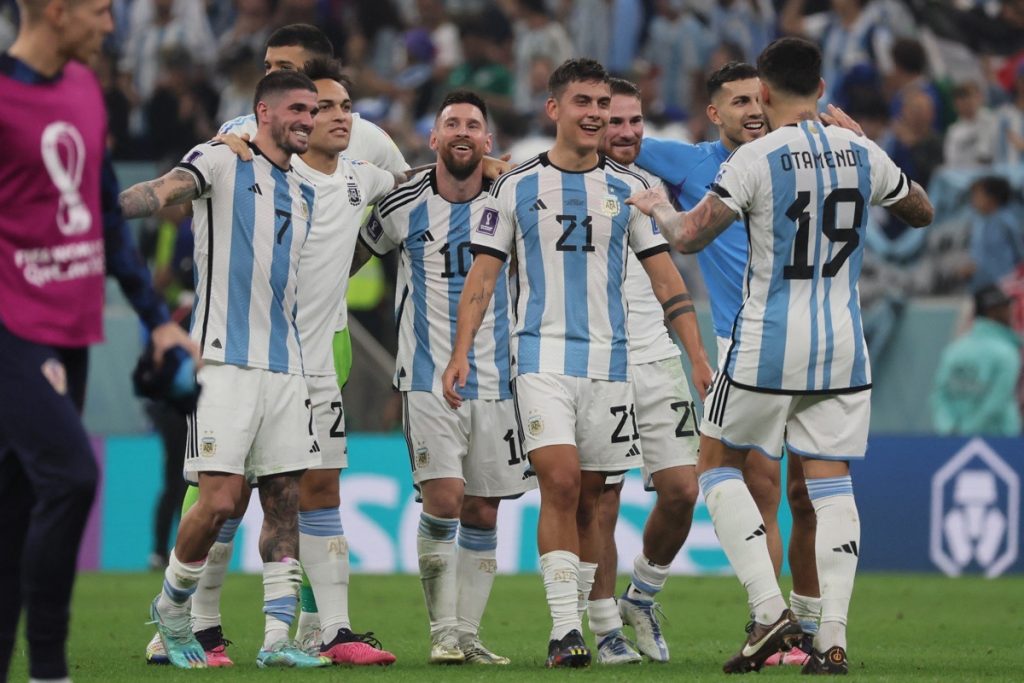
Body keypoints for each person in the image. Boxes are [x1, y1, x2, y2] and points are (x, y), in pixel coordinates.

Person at [627, 37, 934, 673]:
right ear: (821, 89)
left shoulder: (756, 158)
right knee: (831, 484)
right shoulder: (860, 151)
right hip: (845, 350)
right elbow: (921, 212)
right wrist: (865, 143)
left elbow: (689, 235)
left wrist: (657, 205)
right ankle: (834, 638)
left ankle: (769, 614)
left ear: (764, 94)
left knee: (715, 466)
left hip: (768, 341)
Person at [148, 24, 413, 665]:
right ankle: (188, 624)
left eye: (288, 71)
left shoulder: (364, 145)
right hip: (235, 350)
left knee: (308, 488)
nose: (278, 88)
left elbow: (412, 197)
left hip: (321, 348)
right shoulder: (239, 138)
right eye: (269, 70)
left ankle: (323, 630)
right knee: (220, 492)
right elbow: (188, 194)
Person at [442, 58, 711, 669]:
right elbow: (482, 277)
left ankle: (604, 622)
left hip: (610, 367)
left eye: (600, 103)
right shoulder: (513, 187)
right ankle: (566, 633)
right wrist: (461, 353)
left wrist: (697, 357)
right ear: (554, 109)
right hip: (538, 360)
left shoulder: (630, 189)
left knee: (594, 498)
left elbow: (669, 283)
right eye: (582, 102)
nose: (593, 113)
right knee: (560, 482)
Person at [0, 1, 199, 682]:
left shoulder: (86, 89)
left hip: (75, 328)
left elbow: (106, 221)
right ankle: (51, 668)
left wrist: (157, 317)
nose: (111, 25)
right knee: (73, 476)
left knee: (18, 504)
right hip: (13, 330)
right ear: (56, 12)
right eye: (99, 10)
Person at [120, 70, 329, 670]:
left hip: (286, 367)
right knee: (216, 502)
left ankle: (277, 639)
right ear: (262, 112)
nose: (306, 120)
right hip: (224, 362)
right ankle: (173, 612)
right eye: (296, 108)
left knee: (284, 503)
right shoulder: (219, 160)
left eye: (311, 111)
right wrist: (106, 216)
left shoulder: (305, 191)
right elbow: (162, 190)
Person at [633, 61, 825, 666]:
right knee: (761, 485)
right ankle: (775, 625)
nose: (753, 109)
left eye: (758, 98)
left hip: (815, 336)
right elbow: (609, 138)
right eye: (737, 100)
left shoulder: (800, 156)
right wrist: (496, 166)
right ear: (714, 113)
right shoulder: (691, 163)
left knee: (808, 491)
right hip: (744, 344)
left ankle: (812, 623)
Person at [356, 90, 535, 666]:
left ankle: (467, 632)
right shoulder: (402, 201)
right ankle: (441, 632)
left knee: (484, 510)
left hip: (502, 380)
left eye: (474, 125)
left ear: (488, 141)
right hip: (428, 376)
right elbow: (350, 257)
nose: (462, 131)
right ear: (432, 140)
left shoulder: (514, 196)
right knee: (445, 499)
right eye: (451, 123)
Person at [587, 77, 711, 665]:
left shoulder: (647, 187)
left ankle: (643, 594)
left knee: (684, 490)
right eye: (616, 121)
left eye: (636, 121)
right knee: (601, 497)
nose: (628, 132)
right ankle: (605, 625)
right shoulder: (553, 180)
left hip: (655, 355)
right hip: (591, 361)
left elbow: (671, 281)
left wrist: (697, 356)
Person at [931, 285, 1023, 437]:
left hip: (954, 439)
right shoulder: (1006, 352)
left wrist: (948, 429)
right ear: (992, 312)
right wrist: (970, 431)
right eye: (1006, 307)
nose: (1010, 311)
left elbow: (940, 396)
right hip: (1000, 442)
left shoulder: (954, 350)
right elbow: (997, 402)